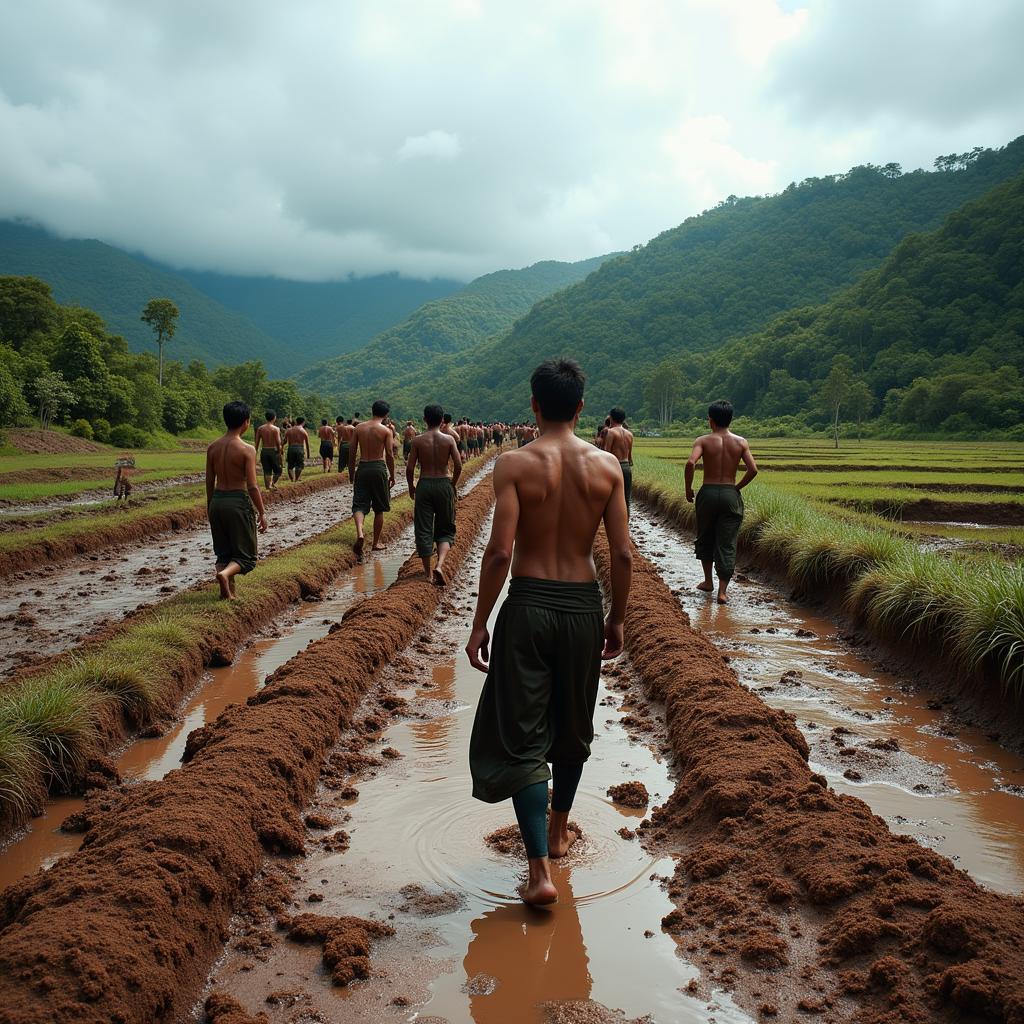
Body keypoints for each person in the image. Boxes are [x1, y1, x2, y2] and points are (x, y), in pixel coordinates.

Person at [466, 358, 632, 907]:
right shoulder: (606, 467)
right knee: (573, 722)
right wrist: (617, 618)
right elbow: (624, 555)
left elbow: (498, 552)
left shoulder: (515, 464)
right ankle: (559, 832)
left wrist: (479, 622)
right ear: (582, 407)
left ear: (533, 405)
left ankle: (538, 872)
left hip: (530, 605)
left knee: (523, 731)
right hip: (583, 606)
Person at [685, 399, 758, 605]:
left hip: (708, 492)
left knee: (705, 536)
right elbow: (753, 469)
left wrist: (688, 488)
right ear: (730, 419)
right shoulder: (741, 442)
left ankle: (708, 581)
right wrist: (736, 487)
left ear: (711, 420)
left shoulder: (703, 441)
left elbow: (691, 462)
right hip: (729, 493)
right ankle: (722, 592)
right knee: (726, 542)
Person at [205, 401, 268, 600]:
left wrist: (210, 506)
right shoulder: (247, 449)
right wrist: (262, 511)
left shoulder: (212, 447)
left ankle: (228, 593)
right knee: (247, 558)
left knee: (223, 553)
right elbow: (252, 485)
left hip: (217, 501)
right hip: (237, 501)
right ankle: (224, 575)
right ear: (246, 422)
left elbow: (209, 481)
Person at [407, 404, 463, 586]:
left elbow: (409, 468)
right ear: (442, 420)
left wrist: (411, 486)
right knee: (445, 528)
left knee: (423, 528)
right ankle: (439, 565)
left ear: (424, 419)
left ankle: (427, 573)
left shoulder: (417, 441)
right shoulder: (449, 440)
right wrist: (452, 484)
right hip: (443, 482)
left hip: (424, 483)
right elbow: (459, 465)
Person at [350, 399, 396, 561]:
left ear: (372, 411)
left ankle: (360, 533)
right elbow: (389, 454)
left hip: (363, 467)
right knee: (379, 508)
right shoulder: (385, 431)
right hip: (378, 467)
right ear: (386, 414)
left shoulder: (359, 428)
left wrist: (351, 472)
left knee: (359, 504)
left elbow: (352, 451)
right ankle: (375, 543)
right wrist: (393, 474)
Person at [600, 407, 634, 516]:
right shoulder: (629, 434)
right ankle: (625, 524)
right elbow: (630, 457)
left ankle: (613, 522)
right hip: (626, 467)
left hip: (615, 466)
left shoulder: (611, 432)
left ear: (611, 418)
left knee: (611, 498)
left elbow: (607, 453)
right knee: (626, 499)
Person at [254, 410, 283, 490]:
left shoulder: (260, 428)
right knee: (278, 470)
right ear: (274, 418)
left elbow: (256, 443)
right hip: (273, 451)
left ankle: (268, 486)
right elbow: (278, 442)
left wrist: (255, 454)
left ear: (266, 418)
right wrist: (280, 453)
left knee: (267, 469)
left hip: (264, 450)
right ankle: (271, 484)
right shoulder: (276, 429)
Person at [284, 417, 310, 481]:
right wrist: (308, 454)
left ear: (296, 422)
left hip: (291, 448)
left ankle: (292, 479)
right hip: (300, 448)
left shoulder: (289, 430)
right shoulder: (304, 431)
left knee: (290, 466)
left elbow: (284, 441)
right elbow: (307, 444)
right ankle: (296, 479)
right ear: (303, 422)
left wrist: (281, 446)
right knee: (299, 465)